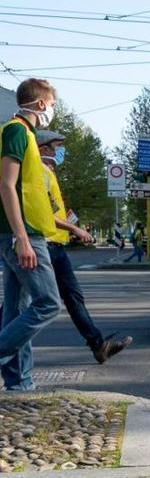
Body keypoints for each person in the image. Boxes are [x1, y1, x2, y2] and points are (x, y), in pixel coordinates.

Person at [36, 130, 133, 363]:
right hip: (45, 245)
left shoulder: (50, 173)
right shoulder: (38, 172)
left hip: (57, 247)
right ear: (42, 149)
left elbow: (56, 209)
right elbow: (43, 213)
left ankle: (99, 346)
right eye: (56, 146)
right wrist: (75, 229)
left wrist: (74, 227)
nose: (61, 151)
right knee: (26, 303)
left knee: (73, 298)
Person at [0, 78, 63, 391]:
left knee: (16, 311)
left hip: (19, 233)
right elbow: (7, 185)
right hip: (22, 235)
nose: (52, 109)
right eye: (51, 104)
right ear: (40, 104)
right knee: (48, 303)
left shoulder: (22, 133)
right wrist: (22, 237)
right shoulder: (16, 131)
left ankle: (19, 383)